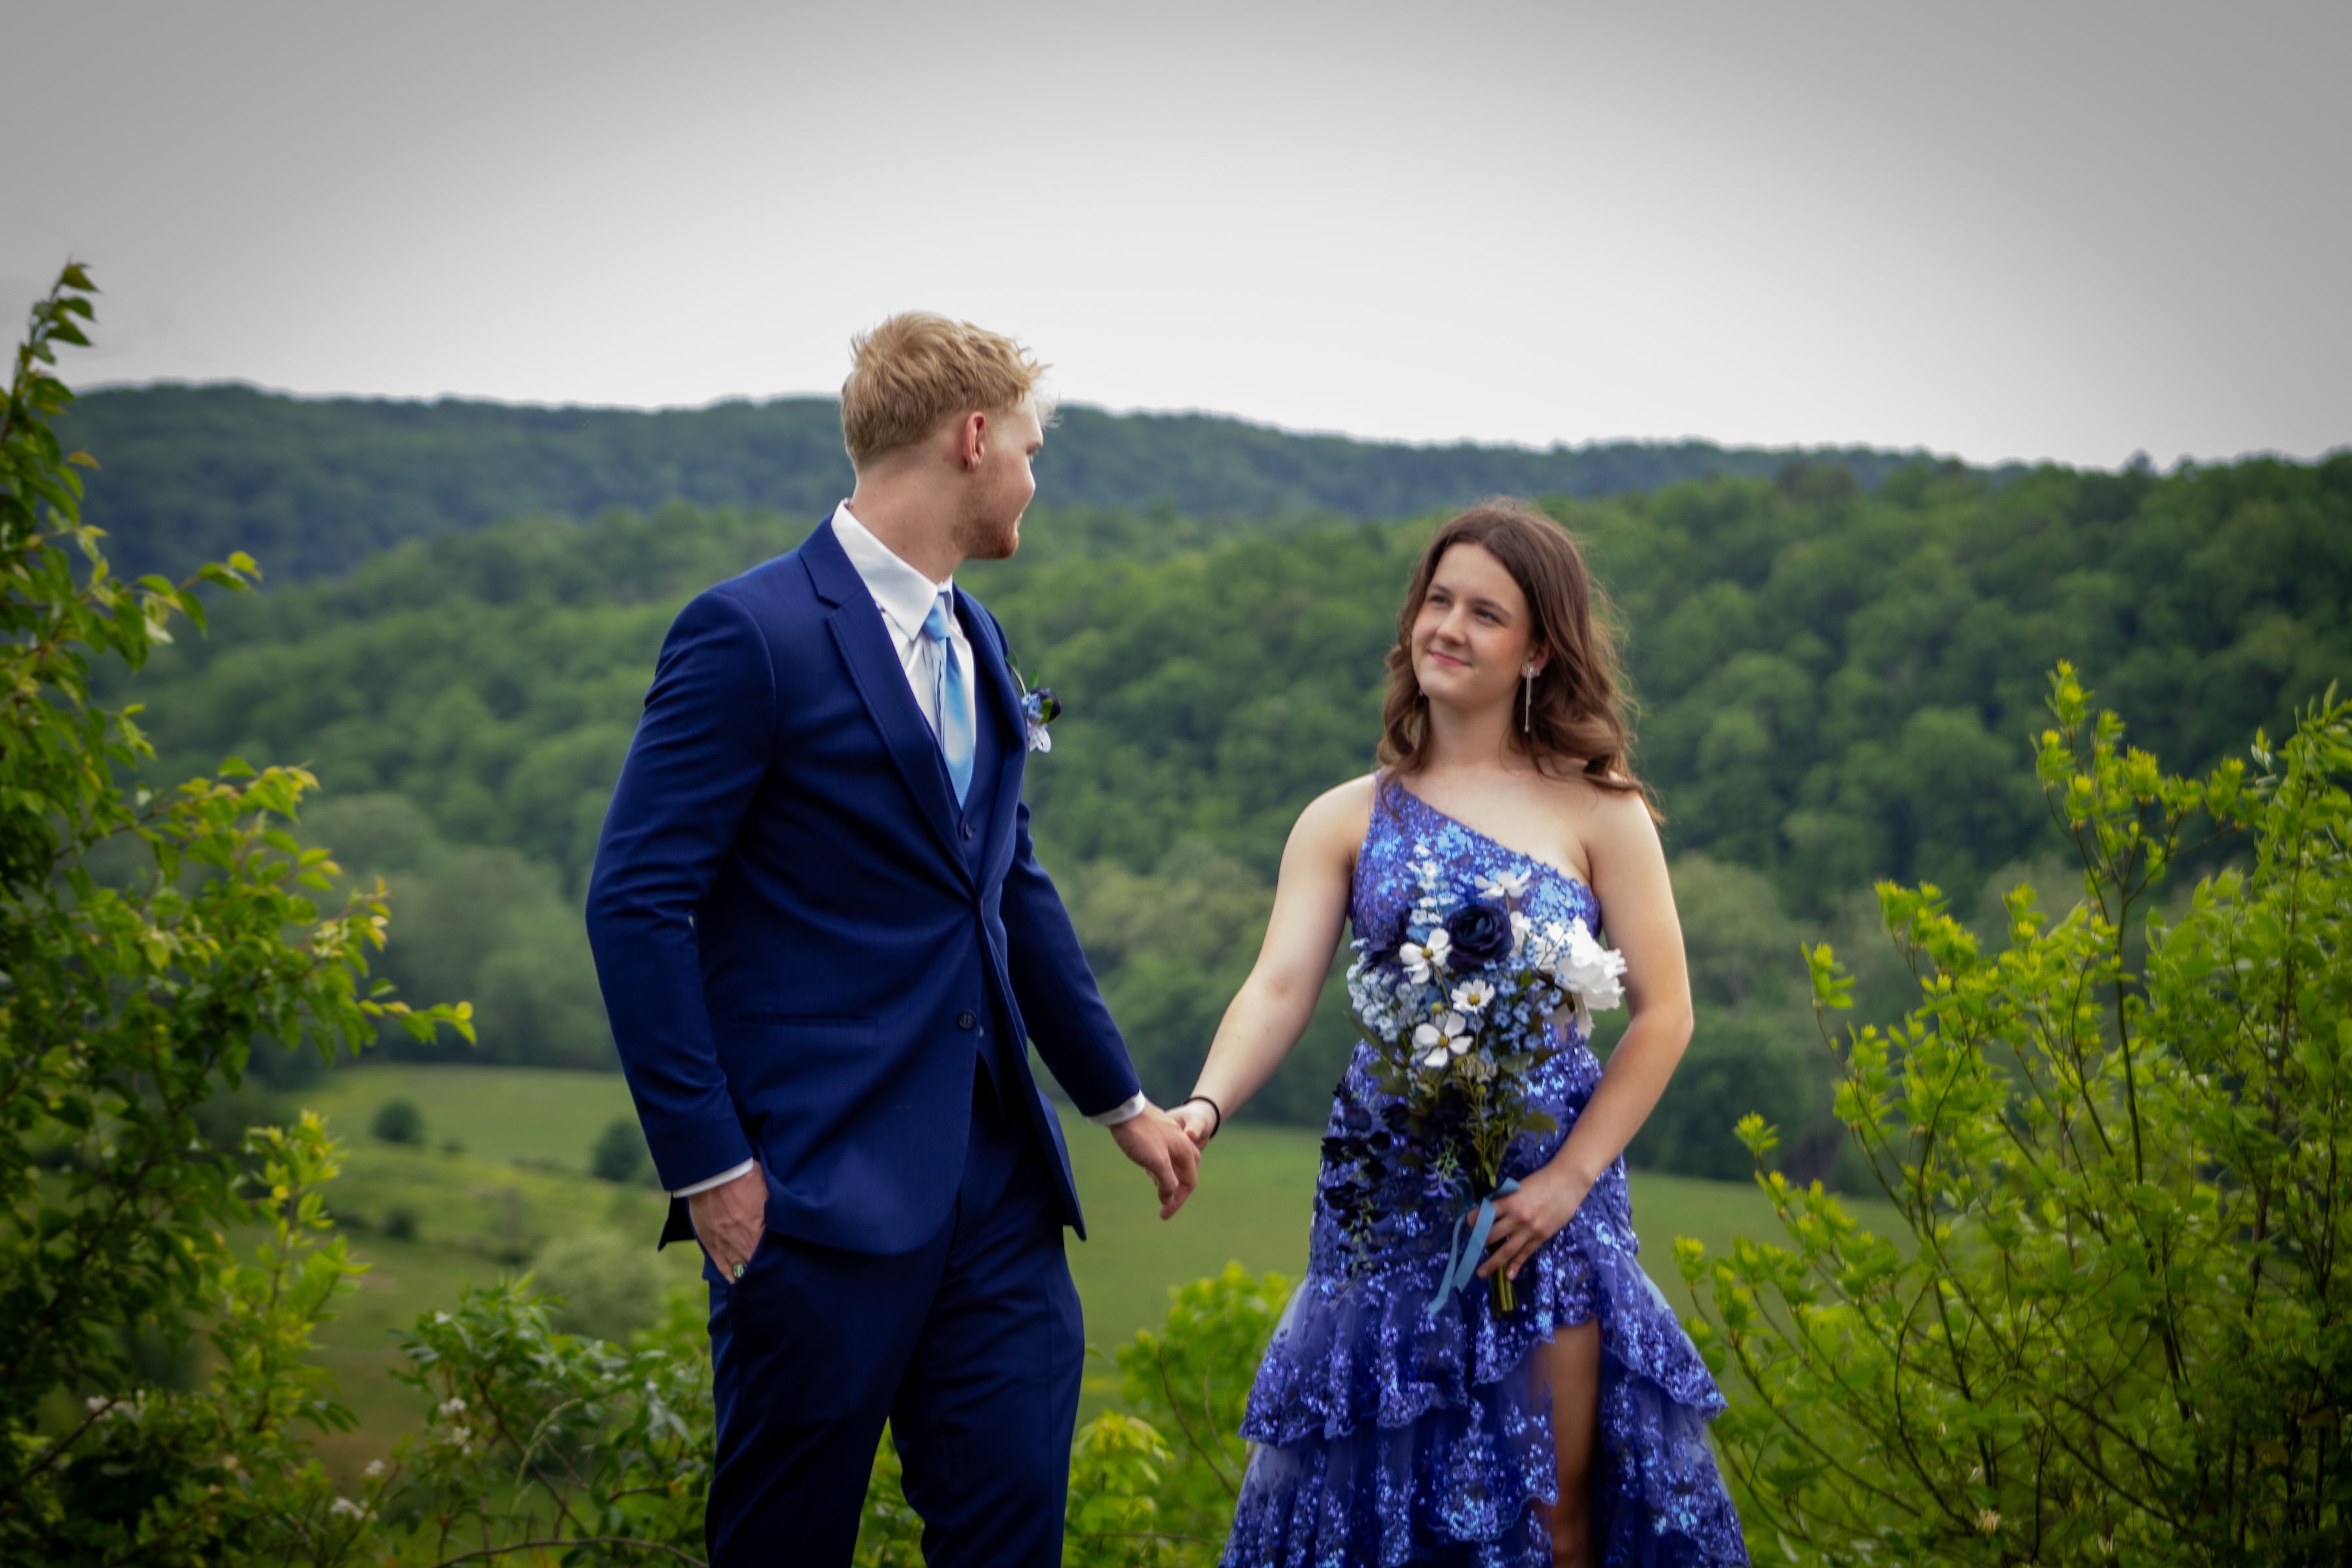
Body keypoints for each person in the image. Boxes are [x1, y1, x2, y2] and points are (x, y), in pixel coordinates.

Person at [584, 313, 1202, 1567]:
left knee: (1009, 1538)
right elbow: (635, 900)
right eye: (1029, 449)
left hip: (999, 1190)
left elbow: (1007, 888)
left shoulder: (978, 640)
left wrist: (1117, 1100)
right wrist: (711, 1169)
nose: (1034, 478)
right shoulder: (748, 633)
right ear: (972, 439)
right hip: (810, 1191)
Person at [1174, 501, 1748, 1566]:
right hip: (1380, 1213)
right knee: (1367, 1520)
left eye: (1485, 613)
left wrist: (1568, 1181)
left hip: (1549, 1214)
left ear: (1539, 649)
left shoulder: (1603, 812)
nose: (1448, 626)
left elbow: (1667, 1014)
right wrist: (1204, 1106)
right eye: (1437, 600)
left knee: (1556, 1525)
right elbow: (1280, 986)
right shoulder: (1346, 816)